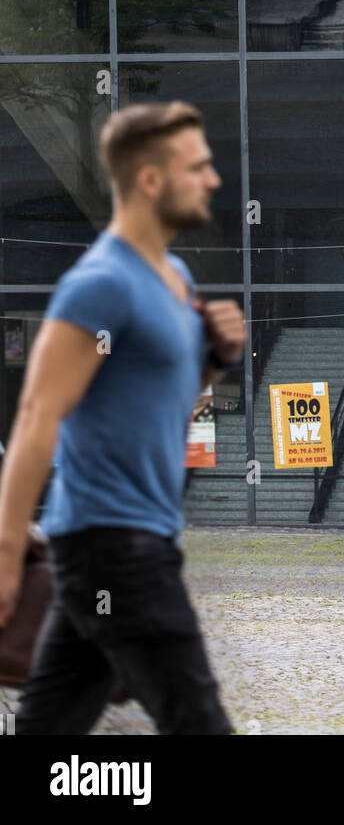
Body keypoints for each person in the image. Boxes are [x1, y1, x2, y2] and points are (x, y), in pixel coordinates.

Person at [0, 101, 246, 735]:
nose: (213, 181)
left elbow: (161, 401)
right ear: (150, 180)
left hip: (115, 548)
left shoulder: (175, 279)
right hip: (117, 549)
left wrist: (214, 362)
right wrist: (5, 555)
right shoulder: (100, 284)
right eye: (197, 167)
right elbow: (37, 415)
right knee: (199, 722)